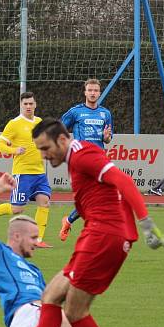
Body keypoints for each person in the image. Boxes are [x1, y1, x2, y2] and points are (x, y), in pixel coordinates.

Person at [27, 118, 164, 327]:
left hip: (104, 236)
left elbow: (123, 180)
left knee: (75, 312)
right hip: (99, 234)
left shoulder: (82, 155)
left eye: (46, 148)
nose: (44, 155)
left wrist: (145, 222)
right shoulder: (76, 156)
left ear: (62, 139)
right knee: (51, 296)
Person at [0, 174, 81, 327]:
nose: (37, 242)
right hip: (26, 315)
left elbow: (50, 299)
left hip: (41, 315)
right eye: (33, 238)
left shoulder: (34, 270)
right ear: (16, 236)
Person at [0, 92, 52, 248]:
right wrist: (15, 150)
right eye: (26, 104)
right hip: (23, 173)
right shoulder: (14, 124)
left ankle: (38, 240)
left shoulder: (40, 122)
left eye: (31, 103)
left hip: (39, 173)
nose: (29, 106)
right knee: (17, 209)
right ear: (21, 105)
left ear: (35, 104)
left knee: (44, 202)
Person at [59, 79, 113, 242]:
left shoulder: (105, 114)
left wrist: (106, 137)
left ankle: (70, 221)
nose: (92, 93)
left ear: (99, 92)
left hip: (99, 160)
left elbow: (109, 138)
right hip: (81, 160)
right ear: (85, 92)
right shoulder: (76, 112)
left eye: (96, 90)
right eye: (90, 90)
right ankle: (77, 224)